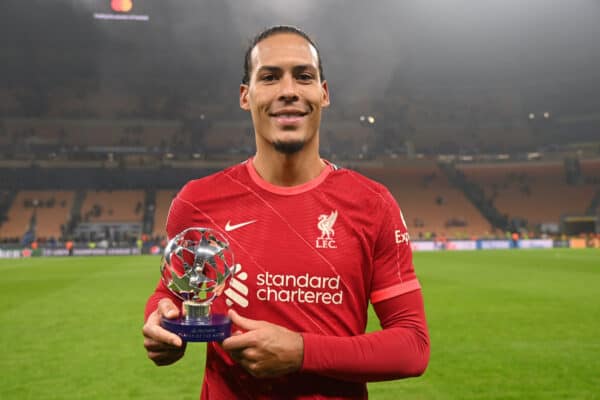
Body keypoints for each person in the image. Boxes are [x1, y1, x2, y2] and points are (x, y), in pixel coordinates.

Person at [143, 25, 430, 399]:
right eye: (270, 77)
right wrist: (159, 323)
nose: (289, 90)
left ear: (323, 94)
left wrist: (303, 352)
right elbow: (172, 293)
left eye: (304, 76)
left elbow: (412, 346)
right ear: (246, 96)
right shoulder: (197, 201)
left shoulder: (372, 204)